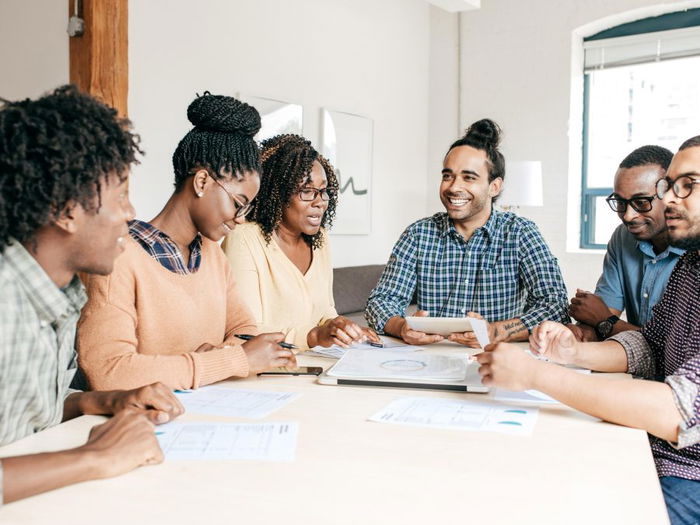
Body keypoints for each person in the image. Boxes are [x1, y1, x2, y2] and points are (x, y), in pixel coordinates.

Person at [476, 136, 700, 525]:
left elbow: (680, 411)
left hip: (688, 472)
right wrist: (572, 353)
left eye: (688, 184)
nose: (672, 198)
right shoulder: (691, 269)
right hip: (653, 447)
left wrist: (535, 373)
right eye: (670, 185)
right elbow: (650, 345)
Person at [0, 86, 184, 505]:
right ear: (66, 210)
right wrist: (95, 456)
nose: (131, 212)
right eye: (120, 194)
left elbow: (18, 410)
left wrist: (105, 400)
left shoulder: (59, 292)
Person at [77, 92, 295, 391]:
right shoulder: (118, 256)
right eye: (238, 203)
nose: (241, 218)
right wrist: (224, 362)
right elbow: (109, 372)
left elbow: (243, 330)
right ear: (202, 182)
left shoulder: (213, 255)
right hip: (144, 425)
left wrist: (218, 358)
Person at [365, 119, 568, 347]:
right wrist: (401, 327)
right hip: (427, 359)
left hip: (495, 361)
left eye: (469, 177)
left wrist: (496, 332)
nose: (453, 187)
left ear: (494, 186)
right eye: (447, 176)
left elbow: (555, 305)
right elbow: (381, 301)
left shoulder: (520, 233)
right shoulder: (418, 234)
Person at [223, 134, 379, 348]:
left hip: (315, 364)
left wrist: (341, 327)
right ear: (277, 194)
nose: (320, 203)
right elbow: (245, 331)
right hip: (267, 372)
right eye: (306, 191)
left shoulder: (320, 240)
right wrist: (314, 336)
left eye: (323, 191)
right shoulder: (244, 238)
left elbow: (325, 311)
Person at [569, 145, 683, 341]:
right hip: (629, 364)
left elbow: (676, 349)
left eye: (641, 202)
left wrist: (606, 321)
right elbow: (597, 317)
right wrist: (577, 334)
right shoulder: (623, 238)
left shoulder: (693, 251)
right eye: (620, 202)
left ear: (671, 194)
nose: (628, 216)